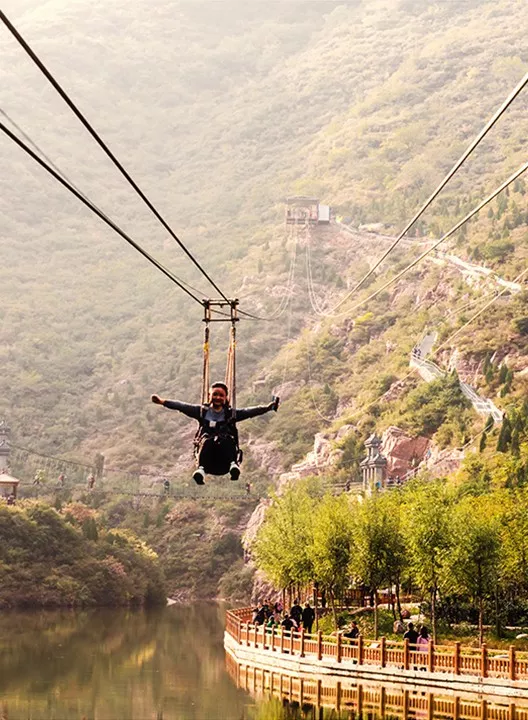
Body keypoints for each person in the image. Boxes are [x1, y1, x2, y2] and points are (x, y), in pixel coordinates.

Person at [151, 382, 279, 485]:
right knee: (208, 440)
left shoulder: (231, 414)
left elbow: (250, 411)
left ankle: (233, 465)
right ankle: (201, 470)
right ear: (210, 396)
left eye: (221, 395)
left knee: (226, 439)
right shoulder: (201, 412)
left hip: (225, 459)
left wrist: (268, 407)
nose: (218, 397)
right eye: (215, 394)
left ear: (225, 398)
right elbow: (182, 406)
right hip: (208, 460)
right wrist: (163, 402)